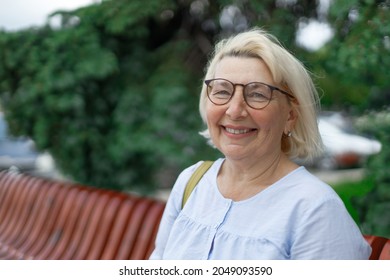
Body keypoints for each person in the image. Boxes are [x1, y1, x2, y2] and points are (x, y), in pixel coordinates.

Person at [149, 27, 371, 260]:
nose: (234, 111)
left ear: (290, 116)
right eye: (223, 91)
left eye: (257, 94)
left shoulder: (315, 210)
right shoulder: (191, 182)